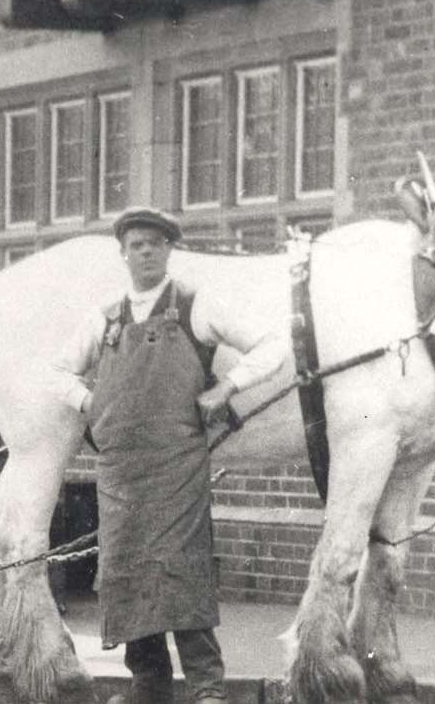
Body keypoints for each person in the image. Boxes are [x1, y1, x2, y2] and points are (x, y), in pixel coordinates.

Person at [51, 207, 285, 704]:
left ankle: (207, 689)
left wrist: (227, 388)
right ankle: (148, 684)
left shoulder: (195, 306)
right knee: (127, 573)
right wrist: (90, 402)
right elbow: (56, 373)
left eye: (157, 243)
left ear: (169, 250)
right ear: (124, 253)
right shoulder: (106, 318)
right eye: (137, 244)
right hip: (120, 474)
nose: (148, 252)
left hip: (178, 469)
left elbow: (272, 345)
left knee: (183, 573)